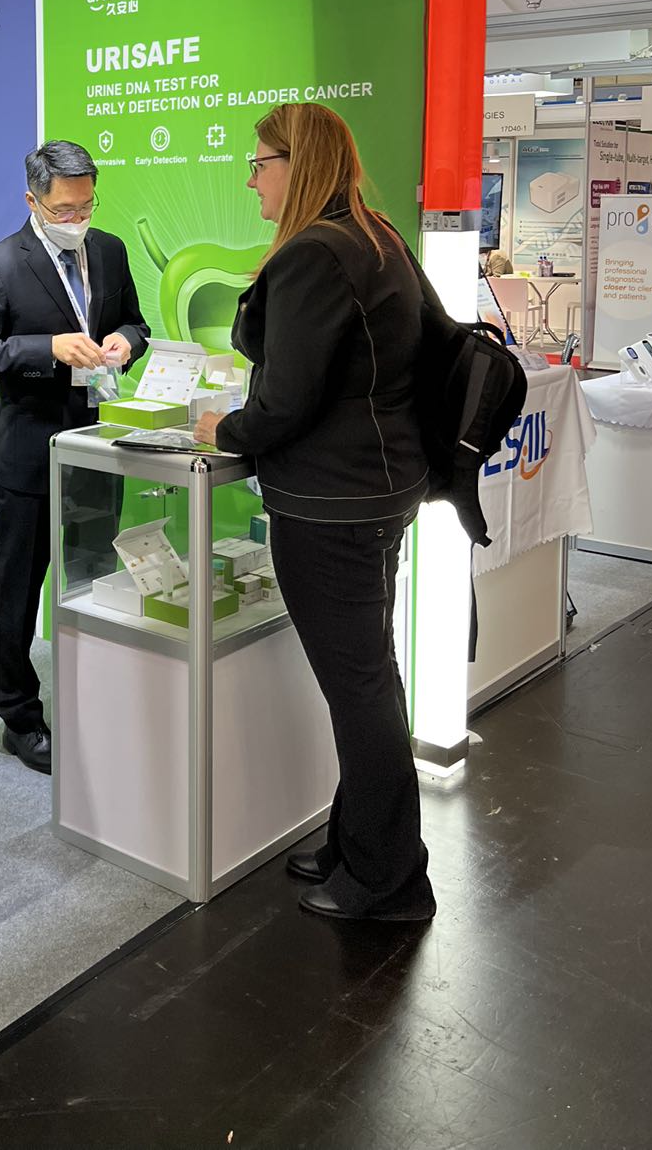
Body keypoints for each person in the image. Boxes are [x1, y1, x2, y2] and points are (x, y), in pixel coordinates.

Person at [193, 103, 435, 923]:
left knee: (359, 687)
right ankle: (358, 841)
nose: (252, 180)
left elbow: (286, 400)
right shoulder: (376, 236)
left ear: (298, 165)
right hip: (378, 490)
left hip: (331, 503)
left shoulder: (312, 254)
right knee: (370, 676)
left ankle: (388, 880)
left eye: (260, 163)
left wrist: (224, 429)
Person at [0, 140, 150, 773]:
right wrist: (49, 349)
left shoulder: (110, 250)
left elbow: (137, 322)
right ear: (33, 201)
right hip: (28, 457)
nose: (77, 220)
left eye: (86, 206)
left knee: (94, 579)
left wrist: (125, 341)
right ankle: (18, 715)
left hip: (97, 448)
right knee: (16, 592)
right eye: (64, 210)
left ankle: (90, 698)